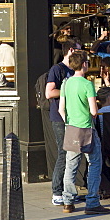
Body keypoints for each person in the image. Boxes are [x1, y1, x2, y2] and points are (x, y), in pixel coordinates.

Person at [59, 51, 110, 215]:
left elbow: (61, 109)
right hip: (87, 128)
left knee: (71, 166)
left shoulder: (66, 83)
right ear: (84, 65)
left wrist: (69, 121)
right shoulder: (87, 84)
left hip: (72, 128)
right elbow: (94, 111)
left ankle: (68, 201)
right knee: (95, 164)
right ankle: (92, 201)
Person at [45, 39, 81, 206]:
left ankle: (68, 191)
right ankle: (57, 191)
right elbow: (49, 92)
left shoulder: (75, 70)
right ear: (71, 50)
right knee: (63, 152)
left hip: (73, 116)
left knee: (73, 153)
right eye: (80, 51)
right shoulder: (57, 69)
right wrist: (68, 91)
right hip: (60, 117)